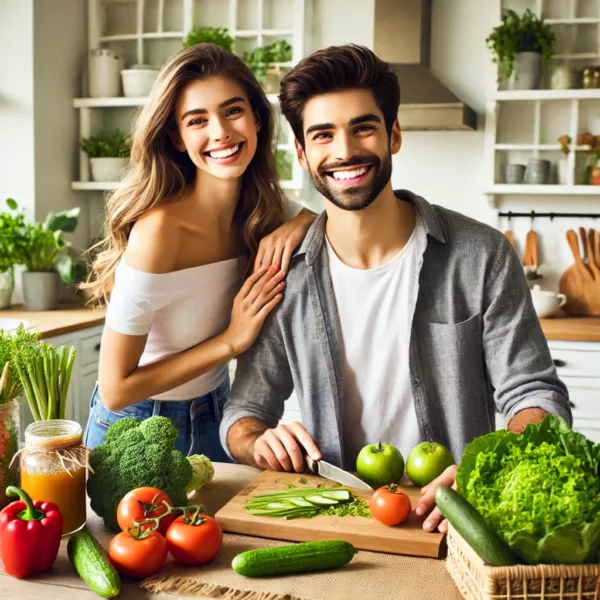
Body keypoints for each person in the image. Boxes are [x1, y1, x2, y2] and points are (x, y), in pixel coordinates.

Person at [219, 44, 571, 530]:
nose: (344, 151)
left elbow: (536, 395)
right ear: (301, 153)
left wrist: (487, 471)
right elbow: (243, 413)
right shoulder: (285, 273)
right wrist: (258, 441)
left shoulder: (481, 254)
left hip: (459, 519)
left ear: (394, 135)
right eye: (323, 135)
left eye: (363, 127)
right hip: (340, 519)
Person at [82, 43, 315, 460]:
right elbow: (116, 389)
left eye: (232, 111)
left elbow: (325, 217)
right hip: (135, 423)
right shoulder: (160, 232)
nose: (221, 132)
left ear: (258, 118)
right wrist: (230, 342)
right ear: (176, 136)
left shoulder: (261, 207)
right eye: (197, 120)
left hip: (216, 412)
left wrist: (296, 225)